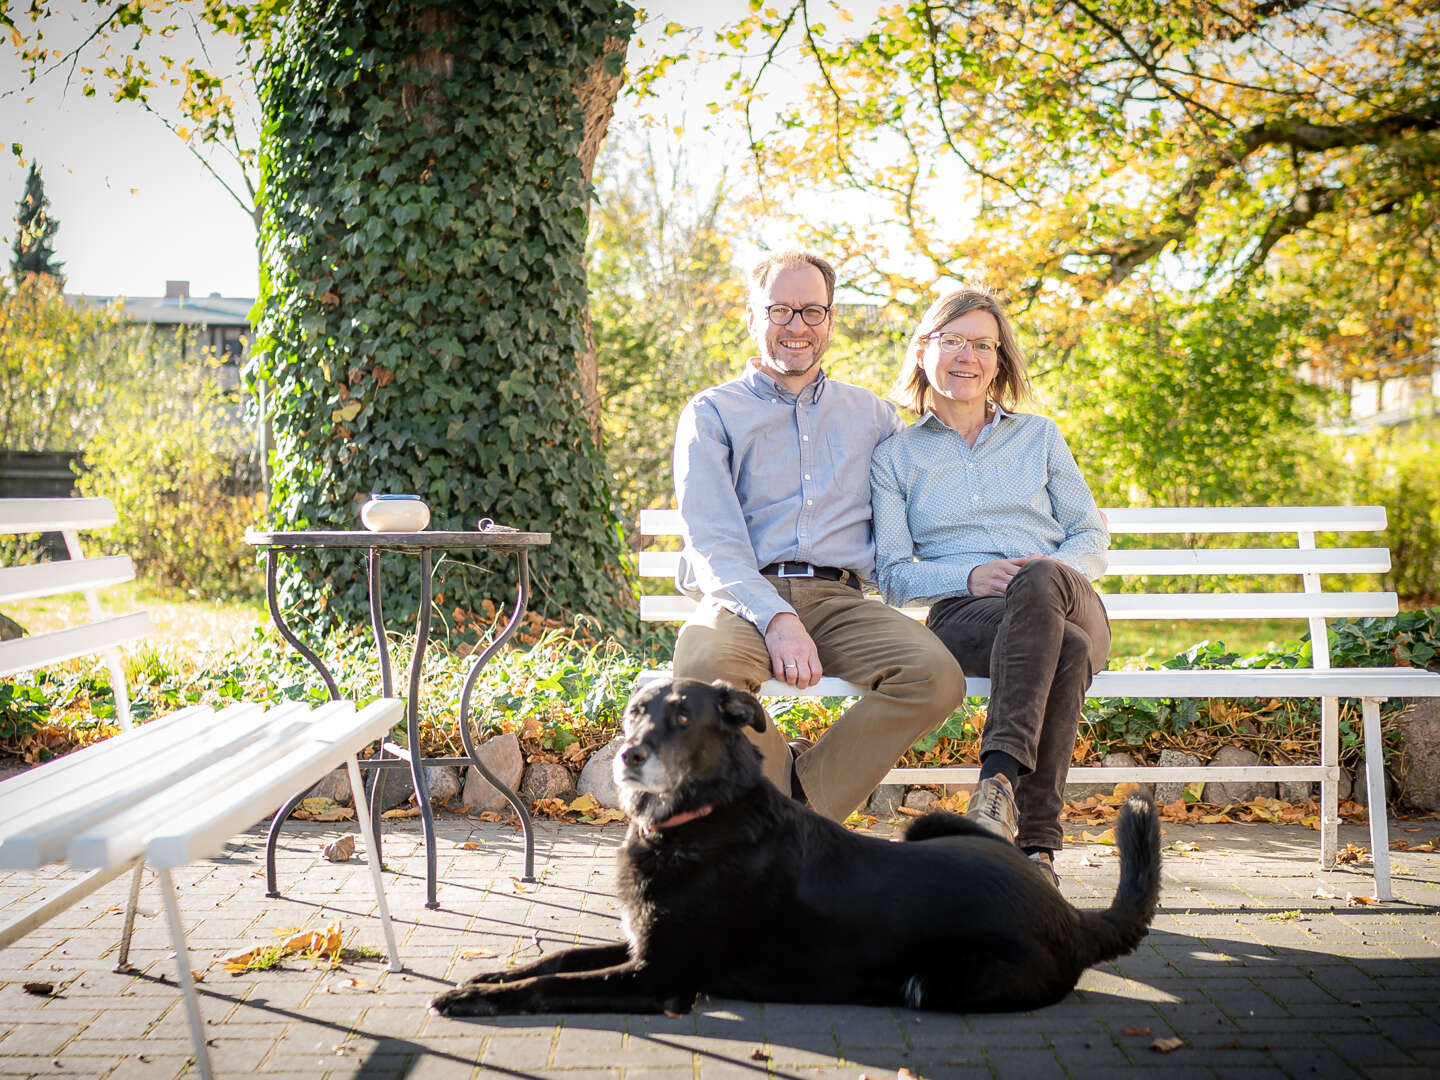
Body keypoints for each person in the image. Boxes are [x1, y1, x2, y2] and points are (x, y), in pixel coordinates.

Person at [670, 251, 967, 822]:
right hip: (742, 598)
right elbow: (713, 537)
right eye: (780, 309)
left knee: (935, 677)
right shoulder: (713, 413)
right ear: (752, 317)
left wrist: (1043, 532)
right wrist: (776, 619)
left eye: (812, 311)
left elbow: (921, 514)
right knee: (703, 667)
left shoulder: (874, 417)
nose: (797, 326)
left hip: (840, 600)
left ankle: (801, 805)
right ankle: (787, 809)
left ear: (830, 321)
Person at [869, 286, 1110, 886]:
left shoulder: (1041, 437)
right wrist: (969, 576)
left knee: (1043, 584)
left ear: (999, 360)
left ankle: (995, 786)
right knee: (1066, 653)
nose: (967, 357)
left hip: (1068, 597)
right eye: (953, 341)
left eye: (982, 345)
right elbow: (896, 576)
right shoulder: (895, 456)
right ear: (925, 350)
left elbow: (1088, 535)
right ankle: (1037, 855)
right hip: (969, 617)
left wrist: (1045, 574)